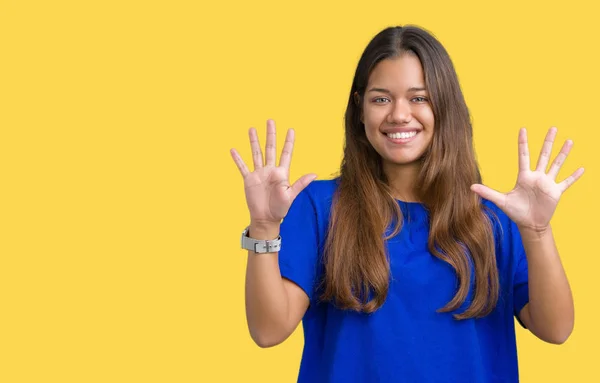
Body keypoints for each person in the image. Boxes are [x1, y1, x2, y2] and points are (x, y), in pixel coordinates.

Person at [230, 25, 584, 383]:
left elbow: (555, 329)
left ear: (445, 106)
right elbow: (268, 331)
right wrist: (263, 227)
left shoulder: (496, 219)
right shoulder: (320, 207)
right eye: (381, 98)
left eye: (419, 98)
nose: (399, 114)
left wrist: (537, 231)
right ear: (360, 109)